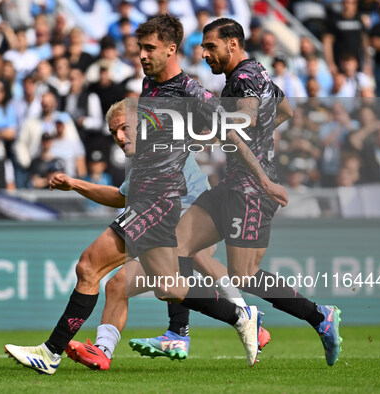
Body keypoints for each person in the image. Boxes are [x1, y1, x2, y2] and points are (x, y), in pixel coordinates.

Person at [5, 14, 287, 375]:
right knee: (170, 288)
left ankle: (51, 352)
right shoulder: (149, 85)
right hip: (151, 199)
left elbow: (232, 132)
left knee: (89, 265)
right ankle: (240, 315)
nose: (142, 55)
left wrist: (263, 182)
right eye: (140, 48)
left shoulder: (190, 91)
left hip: (159, 201)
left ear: (172, 49)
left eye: (150, 48)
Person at [52, 100, 271, 371]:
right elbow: (121, 197)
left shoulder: (162, 150)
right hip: (175, 230)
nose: (119, 137)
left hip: (191, 225)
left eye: (125, 128)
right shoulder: (146, 157)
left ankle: (240, 319)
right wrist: (75, 184)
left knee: (182, 268)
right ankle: (104, 350)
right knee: (118, 285)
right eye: (114, 132)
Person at [185, 17, 341, 366]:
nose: (204, 53)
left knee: (244, 275)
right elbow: (284, 110)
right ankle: (179, 333)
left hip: (252, 190)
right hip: (233, 185)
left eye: (211, 46)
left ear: (232, 44)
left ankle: (318, 316)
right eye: (203, 47)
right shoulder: (257, 75)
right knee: (177, 246)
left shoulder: (243, 79)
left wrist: (210, 122)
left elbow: (246, 120)